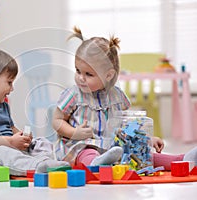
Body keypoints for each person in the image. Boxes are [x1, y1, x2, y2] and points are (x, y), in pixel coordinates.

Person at [52, 27, 197, 170]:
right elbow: (57, 120)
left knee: (143, 155)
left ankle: (182, 160)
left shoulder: (117, 96)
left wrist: (146, 139)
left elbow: (127, 124)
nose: (80, 78)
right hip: (82, 145)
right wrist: (73, 132)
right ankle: (97, 164)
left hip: (114, 146)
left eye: (88, 74)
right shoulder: (73, 94)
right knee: (88, 152)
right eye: (78, 71)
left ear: (108, 75)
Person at [0, 46, 69, 176]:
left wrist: (23, 137)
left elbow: (11, 128)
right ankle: (36, 166)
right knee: (2, 152)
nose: (12, 89)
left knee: (41, 142)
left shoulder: (2, 105)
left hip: (9, 149)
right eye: (9, 82)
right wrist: (10, 142)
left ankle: (46, 161)